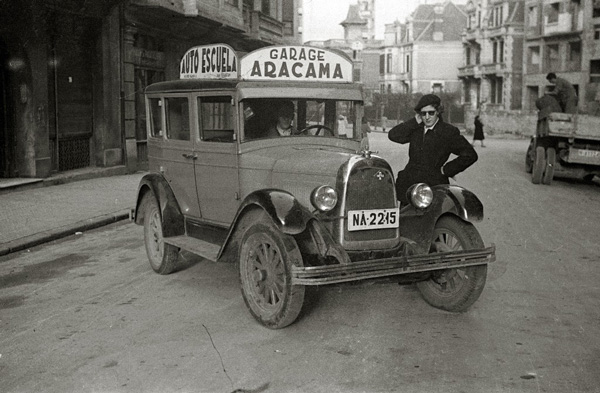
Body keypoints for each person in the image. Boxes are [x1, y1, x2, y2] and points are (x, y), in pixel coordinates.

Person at [388, 94, 478, 205]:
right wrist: (414, 122)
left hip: (433, 187)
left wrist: (446, 170)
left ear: (438, 112)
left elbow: (470, 155)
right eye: (423, 113)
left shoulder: (447, 132)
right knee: (406, 219)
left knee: (430, 220)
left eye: (431, 113)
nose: (427, 117)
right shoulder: (416, 129)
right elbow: (393, 135)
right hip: (410, 185)